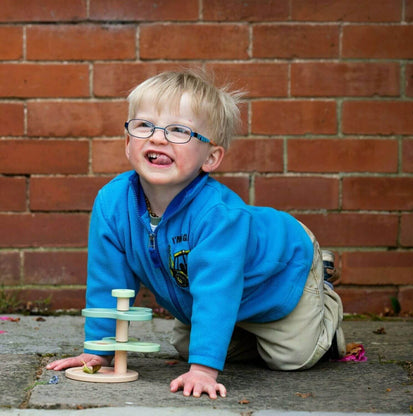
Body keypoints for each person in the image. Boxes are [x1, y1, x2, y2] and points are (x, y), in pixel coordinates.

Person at [47, 69, 345, 399]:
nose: (157, 138)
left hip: (281, 266)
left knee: (291, 357)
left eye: (179, 130)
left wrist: (203, 370)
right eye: (145, 125)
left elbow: (217, 290)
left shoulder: (217, 217)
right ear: (128, 142)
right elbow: (109, 281)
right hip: (213, 292)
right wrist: (98, 352)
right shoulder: (112, 204)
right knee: (187, 346)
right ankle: (239, 331)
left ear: (211, 157)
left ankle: (321, 284)